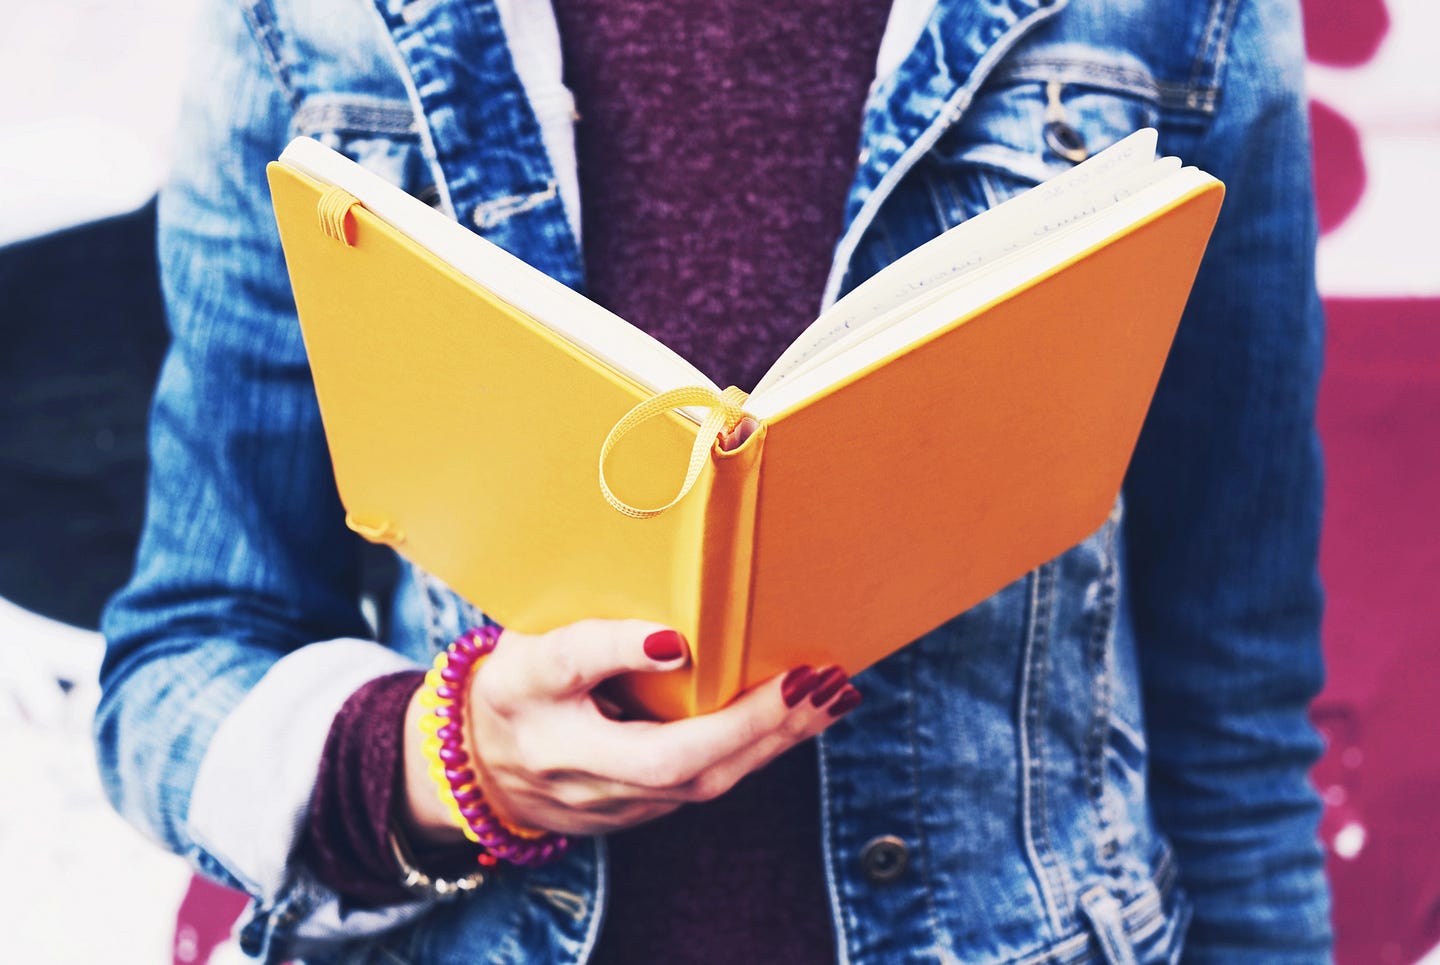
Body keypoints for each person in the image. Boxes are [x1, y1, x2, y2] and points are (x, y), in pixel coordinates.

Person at [95, 0, 1334, 962]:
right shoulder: (321, 25)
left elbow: (1232, 694)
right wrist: (452, 761)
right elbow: (182, 659)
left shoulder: (1167, 16)